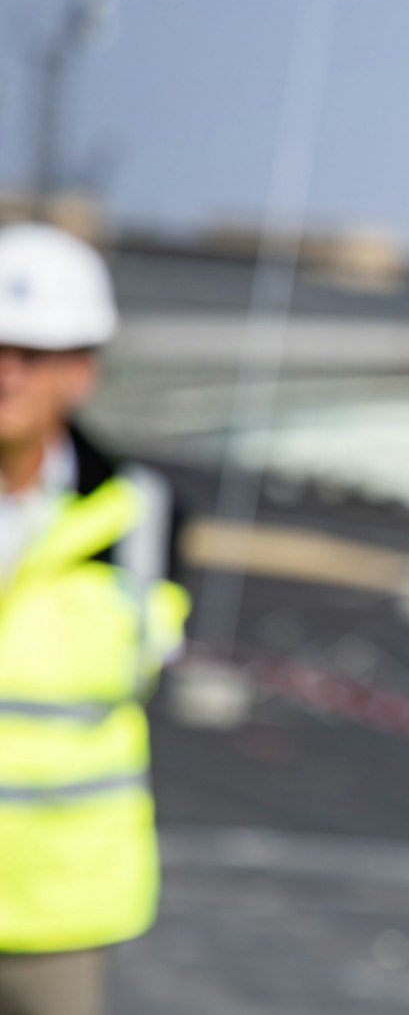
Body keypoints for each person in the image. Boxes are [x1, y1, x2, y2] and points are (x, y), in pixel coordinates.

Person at [0, 224, 189, 1015]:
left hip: (59, 912)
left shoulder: (140, 513)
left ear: (81, 370)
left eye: (32, 355)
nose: (5, 374)